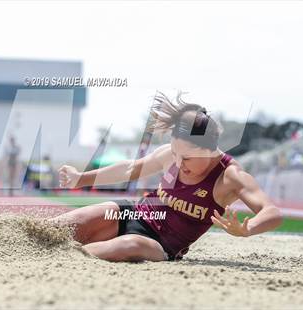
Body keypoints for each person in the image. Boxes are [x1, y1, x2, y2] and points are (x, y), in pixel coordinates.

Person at [56, 92, 283, 262]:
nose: (177, 163)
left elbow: (271, 212)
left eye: (186, 158)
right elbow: (129, 169)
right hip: (133, 213)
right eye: (175, 153)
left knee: (128, 245)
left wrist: (248, 228)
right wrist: (81, 178)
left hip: (159, 245)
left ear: (209, 151)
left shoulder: (230, 176)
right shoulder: (172, 154)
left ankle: (60, 259)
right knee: (65, 225)